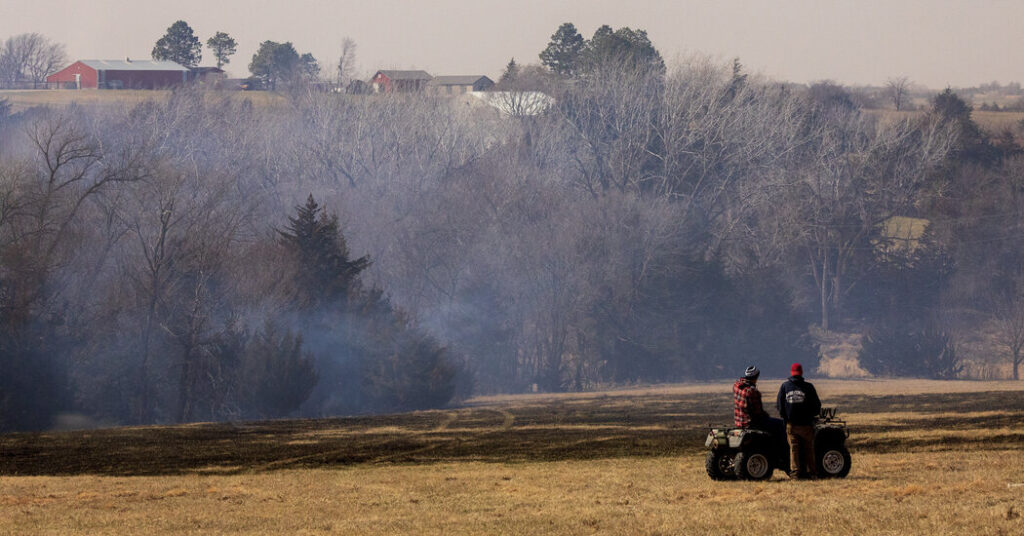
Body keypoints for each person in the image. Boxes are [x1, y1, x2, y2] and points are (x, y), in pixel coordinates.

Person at [776, 362, 822, 479]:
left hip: (791, 424)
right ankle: (812, 473)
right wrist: (811, 416)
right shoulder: (809, 387)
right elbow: (817, 406)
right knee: (809, 449)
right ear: (801, 373)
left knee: (794, 449)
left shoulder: (785, 386)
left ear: (791, 373)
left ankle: (795, 473)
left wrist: (785, 417)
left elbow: (779, 405)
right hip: (806, 424)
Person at [733, 366, 785, 438]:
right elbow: (758, 412)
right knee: (781, 424)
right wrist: (766, 416)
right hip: (750, 423)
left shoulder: (736, 385)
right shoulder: (752, 391)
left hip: (738, 422)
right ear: (756, 377)